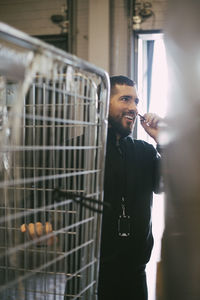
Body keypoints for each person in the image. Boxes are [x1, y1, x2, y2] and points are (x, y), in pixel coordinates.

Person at [97, 75, 162, 300]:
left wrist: (162, 141)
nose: (133, 108)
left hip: (134, 274)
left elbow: (164, 186)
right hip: (91, 273)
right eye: (125, 99)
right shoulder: (80, 150)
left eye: (136, 101)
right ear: (103, 102)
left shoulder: (145, 151)